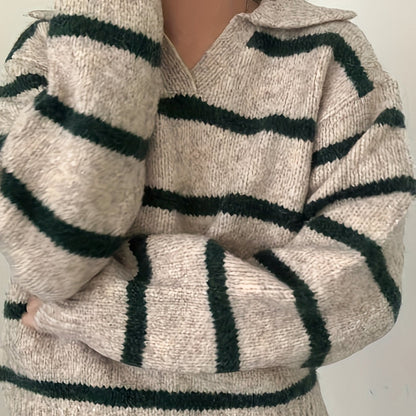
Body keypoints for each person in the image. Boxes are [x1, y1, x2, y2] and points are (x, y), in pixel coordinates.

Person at [0, 0, 415, 414]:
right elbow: (48, 263)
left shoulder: (333, 55)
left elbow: (360, 292)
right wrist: (110, 32)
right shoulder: (51, 45)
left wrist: (103, 306)